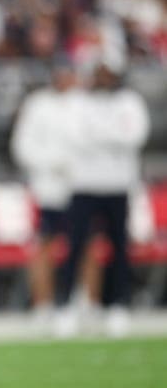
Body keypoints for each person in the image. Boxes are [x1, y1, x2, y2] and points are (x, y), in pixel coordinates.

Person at [56, 63, 150, 337]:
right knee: (74, 247)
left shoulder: (129, 101)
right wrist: (114, 136)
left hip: (118, 186)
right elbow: (75, 137)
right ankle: (66, 307)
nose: (103, 78)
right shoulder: (78, 102)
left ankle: (118, 306)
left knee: (120, 247)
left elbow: (136, 136)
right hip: (84, 184)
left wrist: (99, 135)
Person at [9, 59, 84, 323]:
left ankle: (82, 301)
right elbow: (22, 145)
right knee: (44, 245)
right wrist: (53, 162)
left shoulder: (84, 103)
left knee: (86, 244)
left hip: (82, 187)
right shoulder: (38, 104)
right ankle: (43, 304)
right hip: (47, 188)